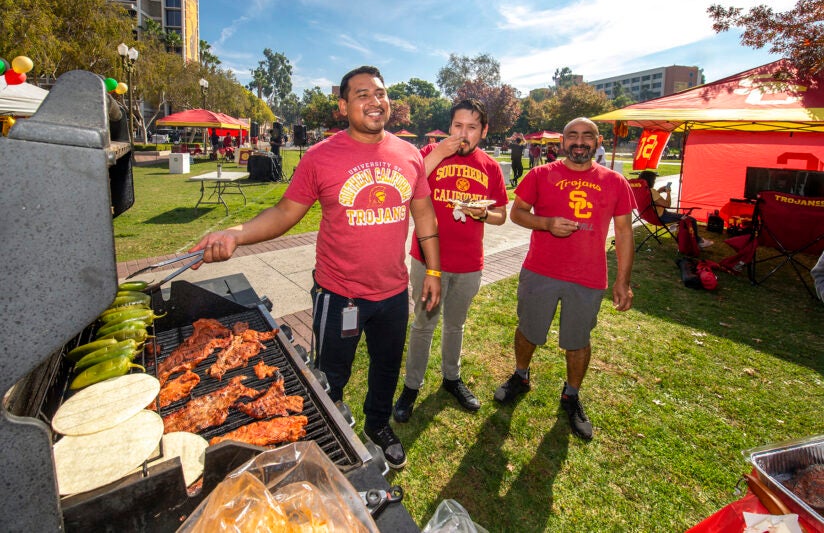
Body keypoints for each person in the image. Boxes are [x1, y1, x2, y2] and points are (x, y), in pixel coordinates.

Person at [189, 66, 441, 470]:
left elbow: (424, 215)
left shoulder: (409, 154)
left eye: (380, 93)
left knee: (387, 365)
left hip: (392, 293)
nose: (375, 101)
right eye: (362, 94)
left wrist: (434, 271)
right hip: (339, 295)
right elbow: (286, 212)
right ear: (343, 107)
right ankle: (328, 429)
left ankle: (378, 424)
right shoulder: (321, 156)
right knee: (330, 375)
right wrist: (236, 233)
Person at [493, 117, 635, 441]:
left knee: (577, 340)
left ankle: (571, 394)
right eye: (573, 135)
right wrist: (546, 223)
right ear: (562, 142)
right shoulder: (541, 174)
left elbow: (625, 232)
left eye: (587, 136)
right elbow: (517, 212)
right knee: (528, 330)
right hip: (540, 271)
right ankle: (520, 376)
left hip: (587, 277)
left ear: (597, 142)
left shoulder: (615, 182)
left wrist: (622, 281)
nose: (580, 141)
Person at [393, 98, 508, 422]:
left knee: (455, 325)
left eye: (471, 127)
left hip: (470, 263)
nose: (463, 133)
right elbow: (406, 187)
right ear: (449, 127)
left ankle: (451, 378)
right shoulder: (431, 154)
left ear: (483, 131)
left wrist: (483, 212)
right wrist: (440, 153)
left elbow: (501, 214)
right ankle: (411, 386)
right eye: (458, 126)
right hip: (429, 260)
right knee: (423, 324)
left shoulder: (490, 166)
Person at [636, 170, 713, 248]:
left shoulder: (641, 191)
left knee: (681, 218)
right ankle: (698, 241)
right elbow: (667, 204)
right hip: (661, 216)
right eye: (654, 180)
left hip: (648, 216)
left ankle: (675, 226)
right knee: (691, 219)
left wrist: (658, 191)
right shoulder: (651, 191)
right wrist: (668, 193)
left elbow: (650, 200)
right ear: (651, 181)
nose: (654, 182)